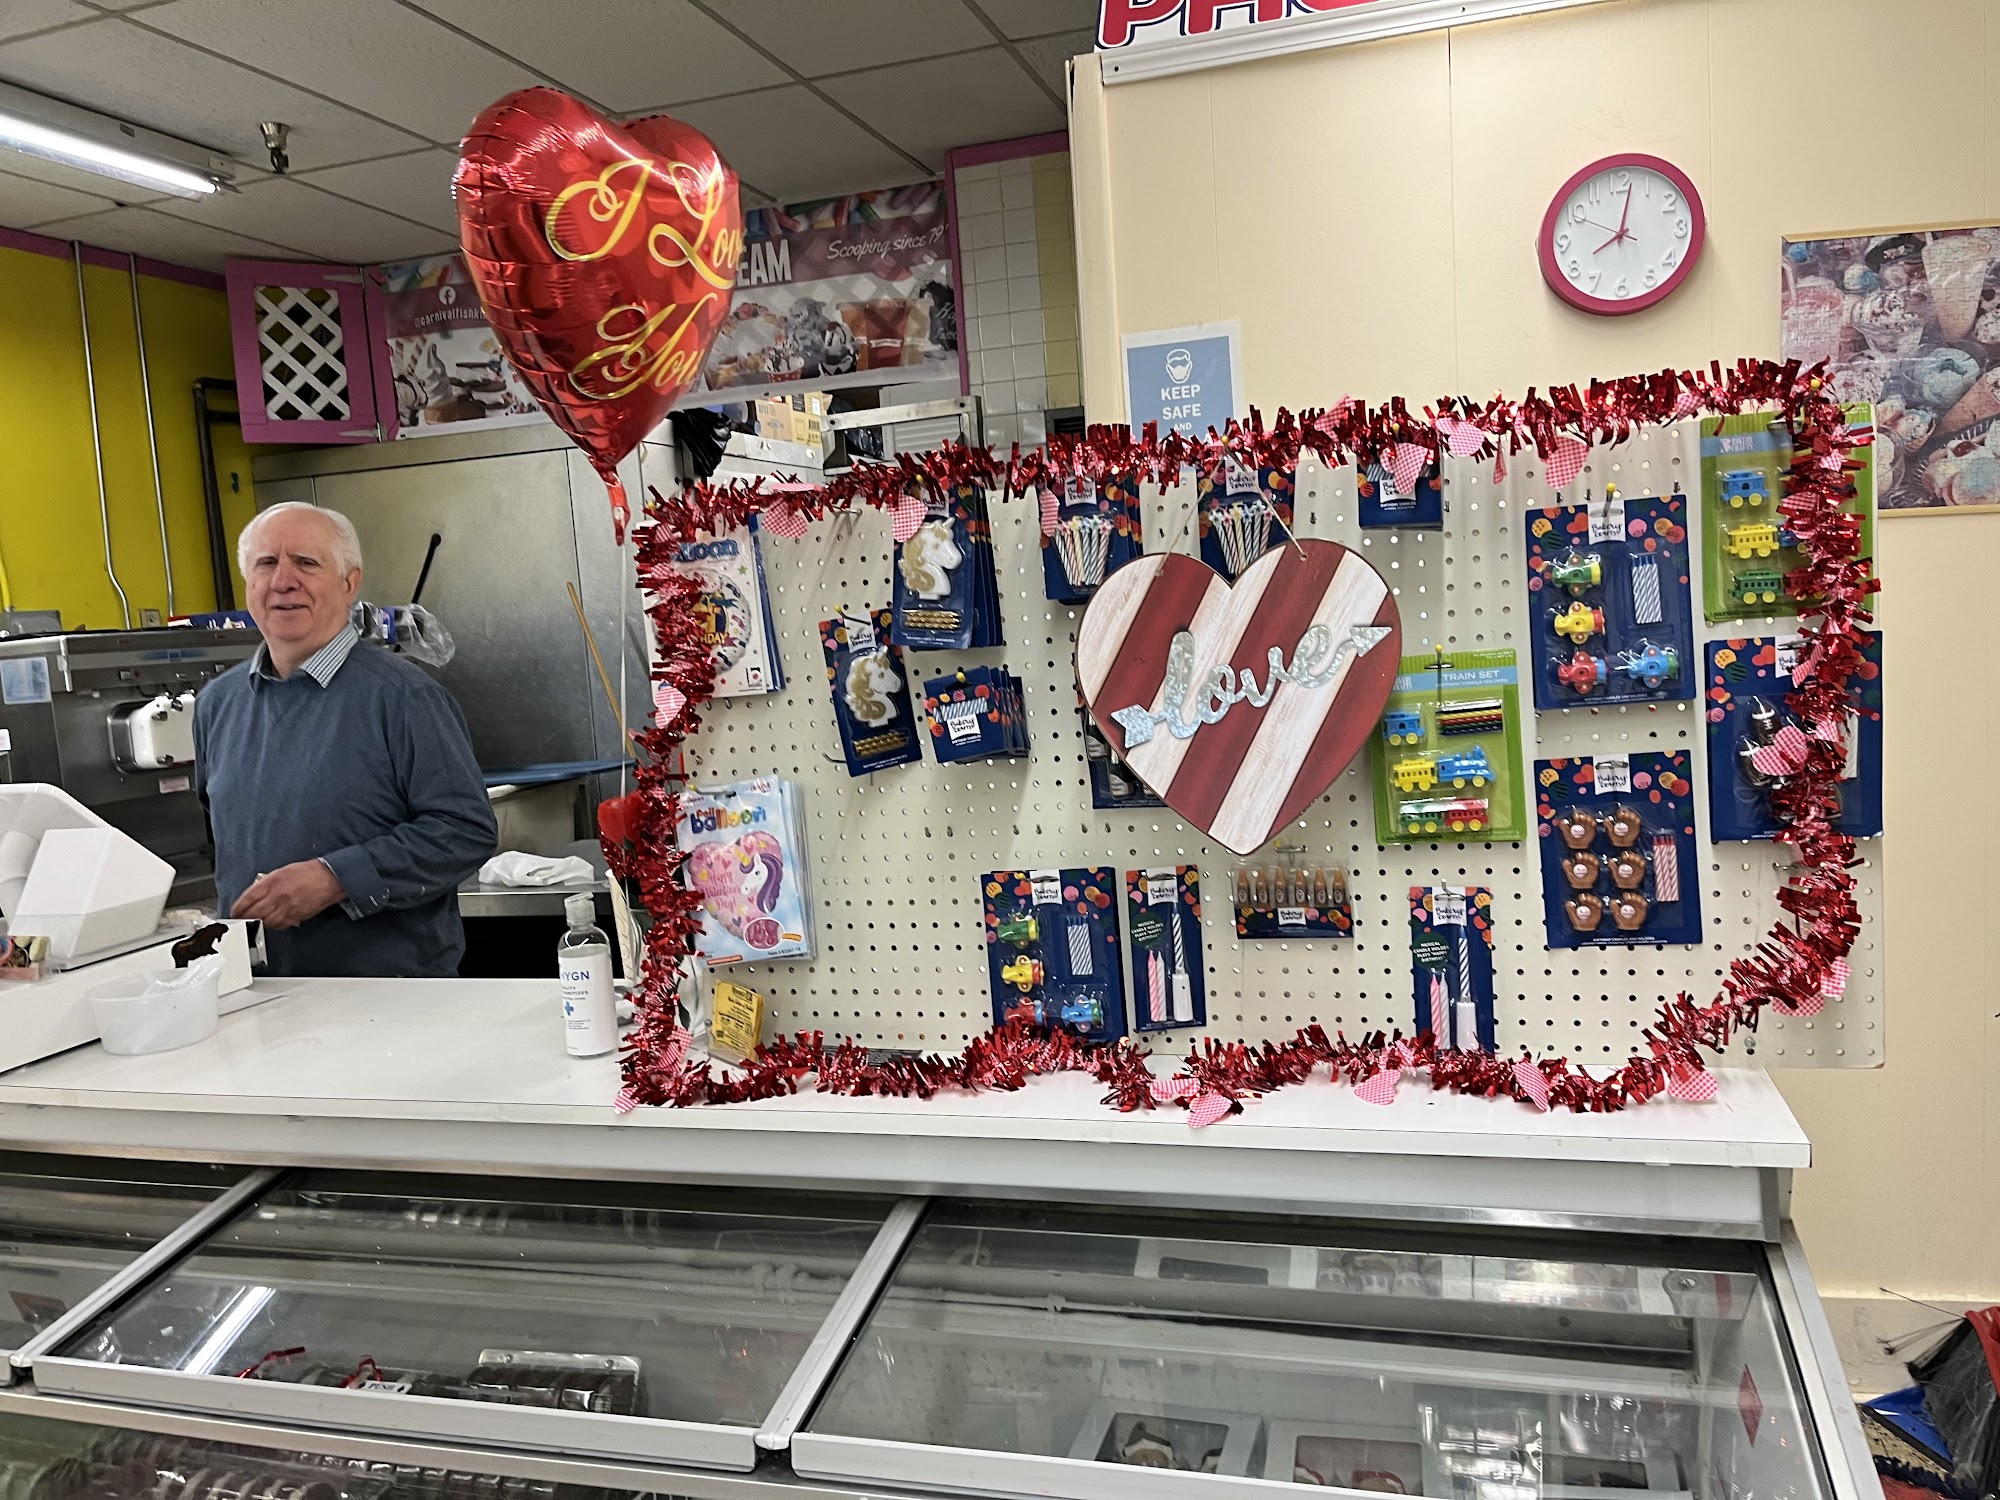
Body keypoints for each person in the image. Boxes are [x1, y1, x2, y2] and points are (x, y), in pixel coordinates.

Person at [195, 502, 497, 977]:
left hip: (388, 999)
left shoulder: (404, 697)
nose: (283, 580)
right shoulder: (217, 704)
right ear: (249, 583)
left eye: (307, 563)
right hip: (258, 994)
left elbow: (465, 830)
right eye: (266, 563)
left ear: (349, 583)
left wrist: (335, 878)